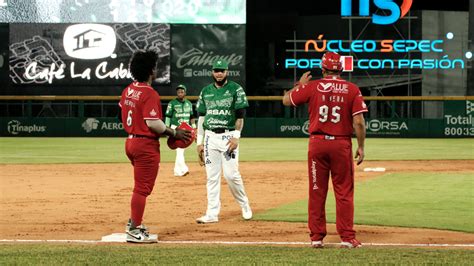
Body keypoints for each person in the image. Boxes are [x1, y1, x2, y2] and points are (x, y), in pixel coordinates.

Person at [282, 52, 368, 248]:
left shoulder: (312, 87)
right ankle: (347, 237)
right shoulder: (352, 89)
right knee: (344, 192)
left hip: (317, 144)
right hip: (340, 145)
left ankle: (316, 237)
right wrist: (361, 146)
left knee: (316, 191)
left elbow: (286, 101)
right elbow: (359, 122)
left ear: (323, 69)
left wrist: (299, 85)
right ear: (341, 68)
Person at [119, 50, 191, 243]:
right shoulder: (149, 93)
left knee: (140, 186)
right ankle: (134, 229)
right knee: (142, 189)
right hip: (145, 144)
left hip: (130, 142)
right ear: (151, 70)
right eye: (155, 67)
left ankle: (135, 222)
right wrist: (174, 132)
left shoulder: (129, 89)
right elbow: (153, 123)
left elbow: (124, 112)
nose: (156, 69)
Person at [195, 59, 252, 224]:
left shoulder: (235, 89)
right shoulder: (205, 91)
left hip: (228, 136)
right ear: (212, 72)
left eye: (222, 70)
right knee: (211, 177)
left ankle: (244, 204)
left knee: (231, 175)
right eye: (216, 70)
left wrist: (236, 137)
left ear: (227, 72)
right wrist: (199, 142)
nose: (219, 73)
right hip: (210, 137)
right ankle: (212, 213)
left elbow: (240, 116)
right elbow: (201, 117)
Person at [165, 84, 196, 176]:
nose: (180, 93)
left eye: (182, 92)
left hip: (186, 128)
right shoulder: (172, 103)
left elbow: (192, 117)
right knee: (180, 148)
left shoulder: (189, 104)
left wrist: (194, 127)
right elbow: (168, 116)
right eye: (178, 92)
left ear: (185, 93)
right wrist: (167, 128)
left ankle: (177, 170)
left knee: (181, 149)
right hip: (175, 128)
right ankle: (182, 169)